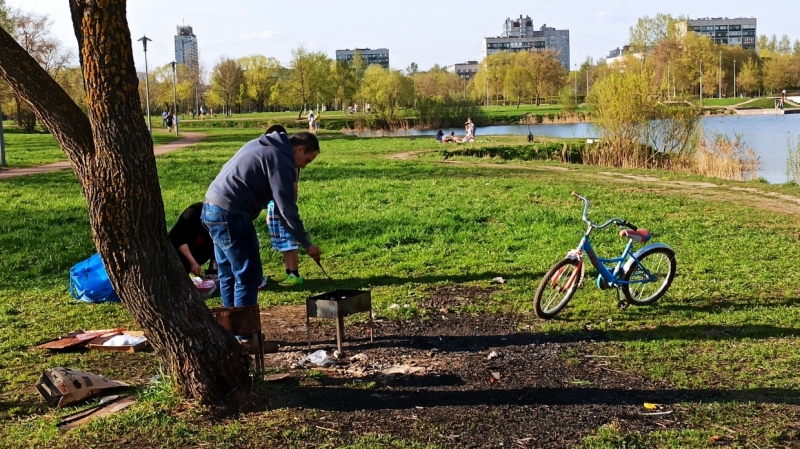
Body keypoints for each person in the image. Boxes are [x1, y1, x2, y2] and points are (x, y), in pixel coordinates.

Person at [201, 130, 322, 310]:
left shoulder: (261, 144)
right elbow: (285, 207)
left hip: (211, 207)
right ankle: (244, 327)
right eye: (307, 160)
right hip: (232, 214)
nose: (304, 167)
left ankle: (230, 324)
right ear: (300, 149)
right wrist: (307, 243)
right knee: (249, 276)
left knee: (228, 275)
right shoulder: (282, 159)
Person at [168, 202, 217, 276]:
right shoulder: (194, 211)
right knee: (183, 264)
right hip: (177, 248)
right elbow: (178, 238)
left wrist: (213, 268)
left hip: (198, 249)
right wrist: (193, 263)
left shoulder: (220, 222)